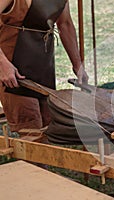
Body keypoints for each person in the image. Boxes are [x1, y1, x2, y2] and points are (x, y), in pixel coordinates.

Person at [0, 0, 88, 133]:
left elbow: (65, 24)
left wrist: (78, 65)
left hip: (43, 66)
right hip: (13, 66)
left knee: (48, 123)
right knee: (30, 125)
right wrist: (3, 64)